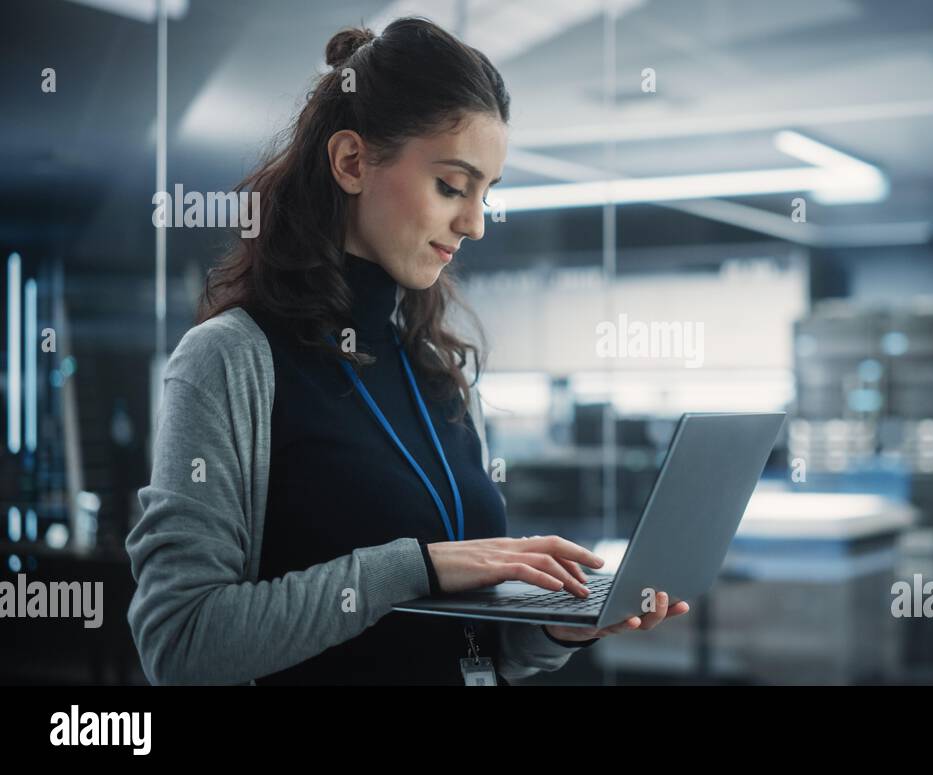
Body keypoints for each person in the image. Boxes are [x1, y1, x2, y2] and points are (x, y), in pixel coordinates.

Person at [125, 17, 687, 686]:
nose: (474, 222)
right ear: (352, 162)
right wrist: (416, 566)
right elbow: (180, 643)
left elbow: (475, 649)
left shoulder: (440, 374)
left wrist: (555, 626)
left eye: (485, 193)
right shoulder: (228, 362)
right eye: (452, 186)